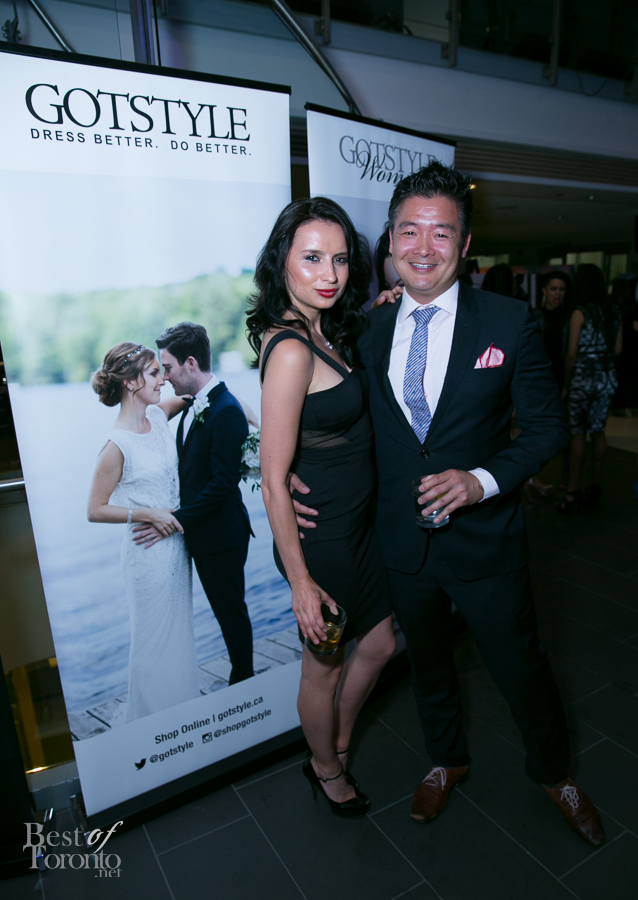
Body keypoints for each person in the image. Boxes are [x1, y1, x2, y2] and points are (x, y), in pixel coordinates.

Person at [293, 162, 605, 846]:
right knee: (428, 666)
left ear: (464, 244)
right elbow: (331, 414)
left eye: (441, 232)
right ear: (390, 241)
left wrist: (480, 480)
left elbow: (548, 428)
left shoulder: (511, 323)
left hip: (487, 541)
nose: (424, 246)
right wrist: (290, 468)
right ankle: (446, 759)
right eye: (410, 230)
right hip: (400, 544)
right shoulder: (364, 330)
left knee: (521, 667)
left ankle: (554, 772)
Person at [246, 197, 396, 817]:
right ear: (282, 260)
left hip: (355, 528)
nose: (329, 274)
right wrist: (301, 582)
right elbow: (272, 480)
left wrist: (375, 309)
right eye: (312, 258)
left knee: (380, 643)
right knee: (323, 671)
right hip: (324, 543)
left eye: (339, 259)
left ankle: (335, 741)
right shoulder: (290, 350)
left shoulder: (320, 329)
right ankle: (327, 768)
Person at [133, 322, 255, 685]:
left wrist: (172, 521)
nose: (165, 376)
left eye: (168, 368)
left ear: (190, 363)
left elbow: (221, 485)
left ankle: (244, 680)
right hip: (205, 533)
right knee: (224, 612)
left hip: (222, 535)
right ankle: (241, 676)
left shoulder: (225, 410)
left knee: (230, 612)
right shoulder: (195, 404)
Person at [88, 343, 200, 722]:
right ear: (130, 382)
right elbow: (95, 509)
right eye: (154, 374)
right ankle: (152, 724)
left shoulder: (157, 414)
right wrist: (147, 513)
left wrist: (246, 415)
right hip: (147, 556)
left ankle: (183, 715)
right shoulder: (116, 445)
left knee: (179, 635)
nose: (163, 380)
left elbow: (196, 395)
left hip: (176, 548)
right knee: (152, 642)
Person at [558, 264, 622, 512]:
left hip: (583, 379)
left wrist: (566, 384)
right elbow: (618, 350)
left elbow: (571, 354)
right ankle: (595, 484)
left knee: (577, 433)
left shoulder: (580, 312)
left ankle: (572, 489)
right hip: (607, 377)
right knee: (598, 431)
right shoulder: (613, 311)